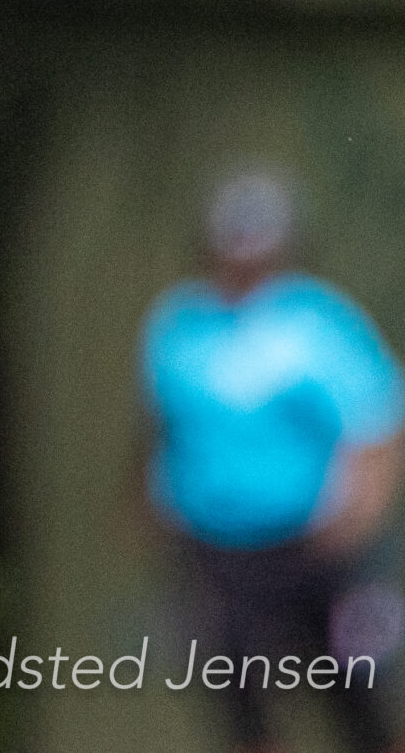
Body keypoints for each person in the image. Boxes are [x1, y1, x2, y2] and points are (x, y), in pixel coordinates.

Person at [143, 168, 404, 753]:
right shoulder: (179, 325)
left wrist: (358, 519)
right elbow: (161, 428)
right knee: (240, 706)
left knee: (358, 698)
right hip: (215, 551)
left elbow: (376, 422)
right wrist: (150, 510)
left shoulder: (319, 320)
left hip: (314, 547)